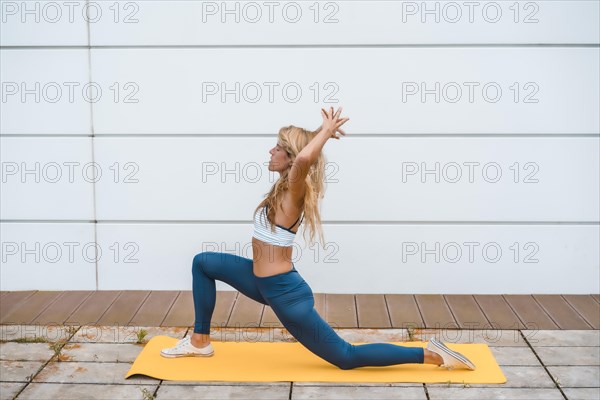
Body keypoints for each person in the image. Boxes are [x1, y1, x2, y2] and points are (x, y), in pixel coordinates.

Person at [160, 107, 476, 371]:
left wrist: (323, 133)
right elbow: (299, 161)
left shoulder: (294, 191)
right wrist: (315, 134)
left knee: (346, 357)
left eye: (277, 147)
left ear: (289, 156)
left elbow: (302, 162)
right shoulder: (282, 189)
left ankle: (430, 354)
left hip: (285, 295)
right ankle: (200, 342)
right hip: (262, 283)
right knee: (203, 263)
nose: (270, 151)